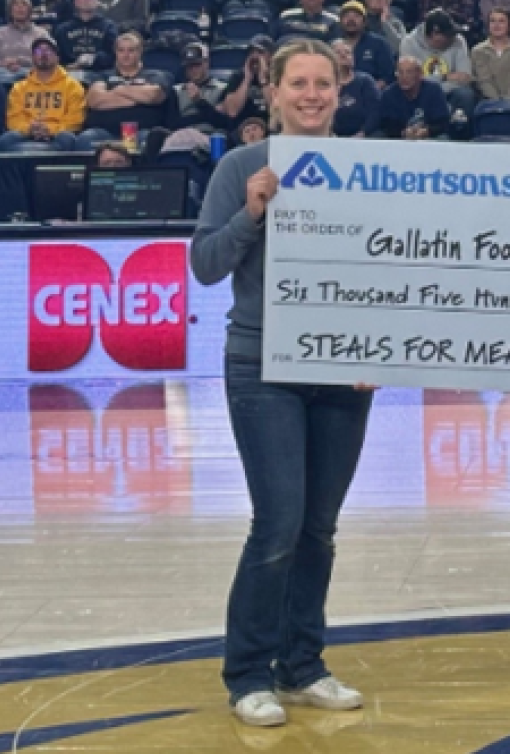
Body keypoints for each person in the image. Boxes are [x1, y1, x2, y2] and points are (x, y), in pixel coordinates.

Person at [193, 42, 371, 728]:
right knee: (278, 525)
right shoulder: (241, 165)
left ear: (339, 91)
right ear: (273, 91)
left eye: (323, 83)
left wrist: (382, 345)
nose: (311, 94)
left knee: (318, 531)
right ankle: (246, 672)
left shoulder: (371, 169)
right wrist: (252, 212)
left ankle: (302, 666)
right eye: (298, 82)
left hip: (345, 372)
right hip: (263, 368)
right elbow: (205, 263)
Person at [0, 35, 87, 151]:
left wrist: (49, 129)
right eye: (38, 51)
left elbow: (75, 120)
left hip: (57, 134)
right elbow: (13, 119)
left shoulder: (72, 86)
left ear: (57, 57)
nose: (43, 54)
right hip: (27, 132)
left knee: (67, 138)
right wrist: (29, 129)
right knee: (6, 139)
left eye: (48, 50)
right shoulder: (19, 87)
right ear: (33, 57)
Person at [84, 32, 172, 142]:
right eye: (121, 50)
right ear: (116, 52)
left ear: (140, 52)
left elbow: (154, 96)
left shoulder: (156, 75)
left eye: (131, 50)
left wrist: (118, 90)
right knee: (85, 138)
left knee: (149, 139)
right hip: (105, 132)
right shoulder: (103, 76)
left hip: (141, 131)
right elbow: (95, 100)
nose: (125, 55)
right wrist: (138, 99)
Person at [400, 8, 476, 117]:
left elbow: (465, 78)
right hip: (421, 92)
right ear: (434, 33)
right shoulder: (409, 43)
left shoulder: (458, 40)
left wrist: (432, 82)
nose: (452, 37)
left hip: (451, 92)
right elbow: (410, 79)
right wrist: (444, 77)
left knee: (466, 94)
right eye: (447, 35)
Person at [373, 56, 451, 138]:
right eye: (400, 72)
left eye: (409, 72)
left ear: (420, 74)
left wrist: (427, 131)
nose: (404, 77)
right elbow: (387, 124)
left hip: (430, 136)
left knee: (443, 137)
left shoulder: (434, 90)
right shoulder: (388, 94)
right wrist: (403, 133)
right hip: (399, 137)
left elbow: (443, 122)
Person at [471, 7, 510, 103]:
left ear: (509, 25)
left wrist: (507, 101)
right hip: (487, 101)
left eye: (501, 21)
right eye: (493, 21)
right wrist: (497, 102)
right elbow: (483, 81)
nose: (496, 25)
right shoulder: (478, 51)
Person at [220, 36, 276, 127]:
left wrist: (263, 79)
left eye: (260, 52)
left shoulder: (277, 77)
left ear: (271, 56)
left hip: (269, 129)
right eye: (251, 52)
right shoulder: (238, 77)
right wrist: (246, 80)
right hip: (241, 130)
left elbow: (277, 111)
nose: (255, 56)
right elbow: (232, 111)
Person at [336, 1, 393, 88]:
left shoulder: (379, 44)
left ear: (365, 21)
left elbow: (387, 77)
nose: (351, 20)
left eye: (356, 16)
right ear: (340, 21)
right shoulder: (333, 46)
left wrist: (368, 91)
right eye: (346, 16)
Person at [330, 40, 379, 137]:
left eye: (348, 52)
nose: (343, 55)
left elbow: (375, 112)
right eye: (338, 53)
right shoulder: (324, 84)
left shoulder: (365, 81)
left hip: (363, 137)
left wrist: (362, 133)